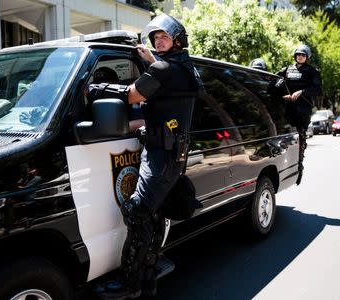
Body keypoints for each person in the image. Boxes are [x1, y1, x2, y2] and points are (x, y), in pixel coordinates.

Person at [86, 14, 201, 300]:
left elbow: (132, 96)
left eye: (164, 37)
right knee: (154, 212)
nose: (158, 41)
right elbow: (170, 85)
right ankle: (149, 278)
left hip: (162, 155)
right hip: (173, 152)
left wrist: (96, 89)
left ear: (177, 40)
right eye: (155, 38)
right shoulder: (186, 67)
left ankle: (130, 282)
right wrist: (151, 61)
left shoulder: (164, 69)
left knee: (137, 211)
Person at [273, 44, 322, 185]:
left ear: (307, 57)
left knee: (300, 137)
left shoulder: (312, 71)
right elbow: (274, 84)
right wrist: (284, 96)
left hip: (303, 109)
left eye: (303, 55)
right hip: (287, 108)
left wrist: (302, 92)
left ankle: (299, 165)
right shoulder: (286, 70)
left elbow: (318, 89)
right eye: (298, 54)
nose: (300, 57)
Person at [87, 66, 145, 132]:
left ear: (116, 84)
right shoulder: (91, 105)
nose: (100, 91)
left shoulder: (130, 100)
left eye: (106, 87)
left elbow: (141, 123)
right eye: (97, 87)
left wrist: (113, 129)